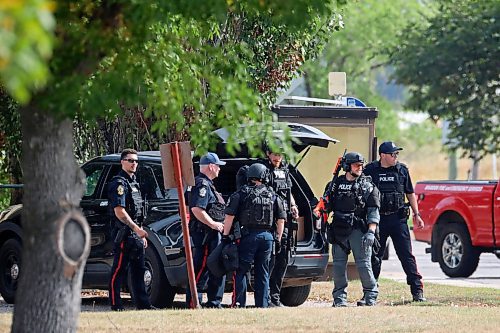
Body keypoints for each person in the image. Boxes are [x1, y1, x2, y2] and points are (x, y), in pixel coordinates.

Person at [364, 141, 426, 302]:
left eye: (397, 154)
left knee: (406, 256)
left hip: (398, 219)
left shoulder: (402, 170)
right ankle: (370, 293)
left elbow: (410, 193)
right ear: (383, 155)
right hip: (378, 220)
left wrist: (417, 214)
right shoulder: (370, 170)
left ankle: (417, 291)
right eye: (393, 154)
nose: (395, 157)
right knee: (375, 257)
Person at [223, 163, 286, 308]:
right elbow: (281, 220)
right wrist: (278, 238)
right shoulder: (273, 195)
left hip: (247, 236)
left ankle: (239, 303)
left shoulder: (241, 193)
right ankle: (262, 305)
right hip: (267, 238)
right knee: (263, 272)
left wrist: (226, 236)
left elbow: (229, 217)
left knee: (242, 270)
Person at [323, 152, 381, 307]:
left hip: (358, 230)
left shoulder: (368, 186)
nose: (360, 168)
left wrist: (371, 231)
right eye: (356, 165)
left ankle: (371, 295)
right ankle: (339, 298)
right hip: (339, 230)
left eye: (361, 165)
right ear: (347, 167)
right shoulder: (334, 185)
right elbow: (326, 207)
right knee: (338, 265)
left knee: (363, 264)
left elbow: (373, 210)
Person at [108, 148, 154, 311]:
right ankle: (116, 304)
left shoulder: (134, 183)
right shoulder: (119, 183)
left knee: (138, 270)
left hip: (136, 234)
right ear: (122, 162)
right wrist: (136, 229)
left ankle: (143, 305)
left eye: (136, 161)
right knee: (119, 270)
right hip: (124, 233)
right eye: (130, 160)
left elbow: (137, 212)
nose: (134, 163)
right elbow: (119, 211)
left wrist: (140, 233)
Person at [255, 147, 299, 307]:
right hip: (268, 221)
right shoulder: (262, 170)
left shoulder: (284, 171)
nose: (277, 158)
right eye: (274, 154)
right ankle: (265, 298)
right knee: (269, 261)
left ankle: (275, 297)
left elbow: (288, 191)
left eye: (280, 155)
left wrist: (293, 205)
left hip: (284, 219)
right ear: (268, 154)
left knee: (282, 260)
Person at [186, 152, 226, 308]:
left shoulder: (209, 184)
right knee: (201, 267)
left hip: (211, 234)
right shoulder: (201, 184)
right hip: (205, 234)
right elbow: (197, 209)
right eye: (218, 166)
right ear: (211, 166)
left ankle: (214, 302)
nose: (219, 170)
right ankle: (194, 302)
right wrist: (213, 224)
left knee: (214, 266)